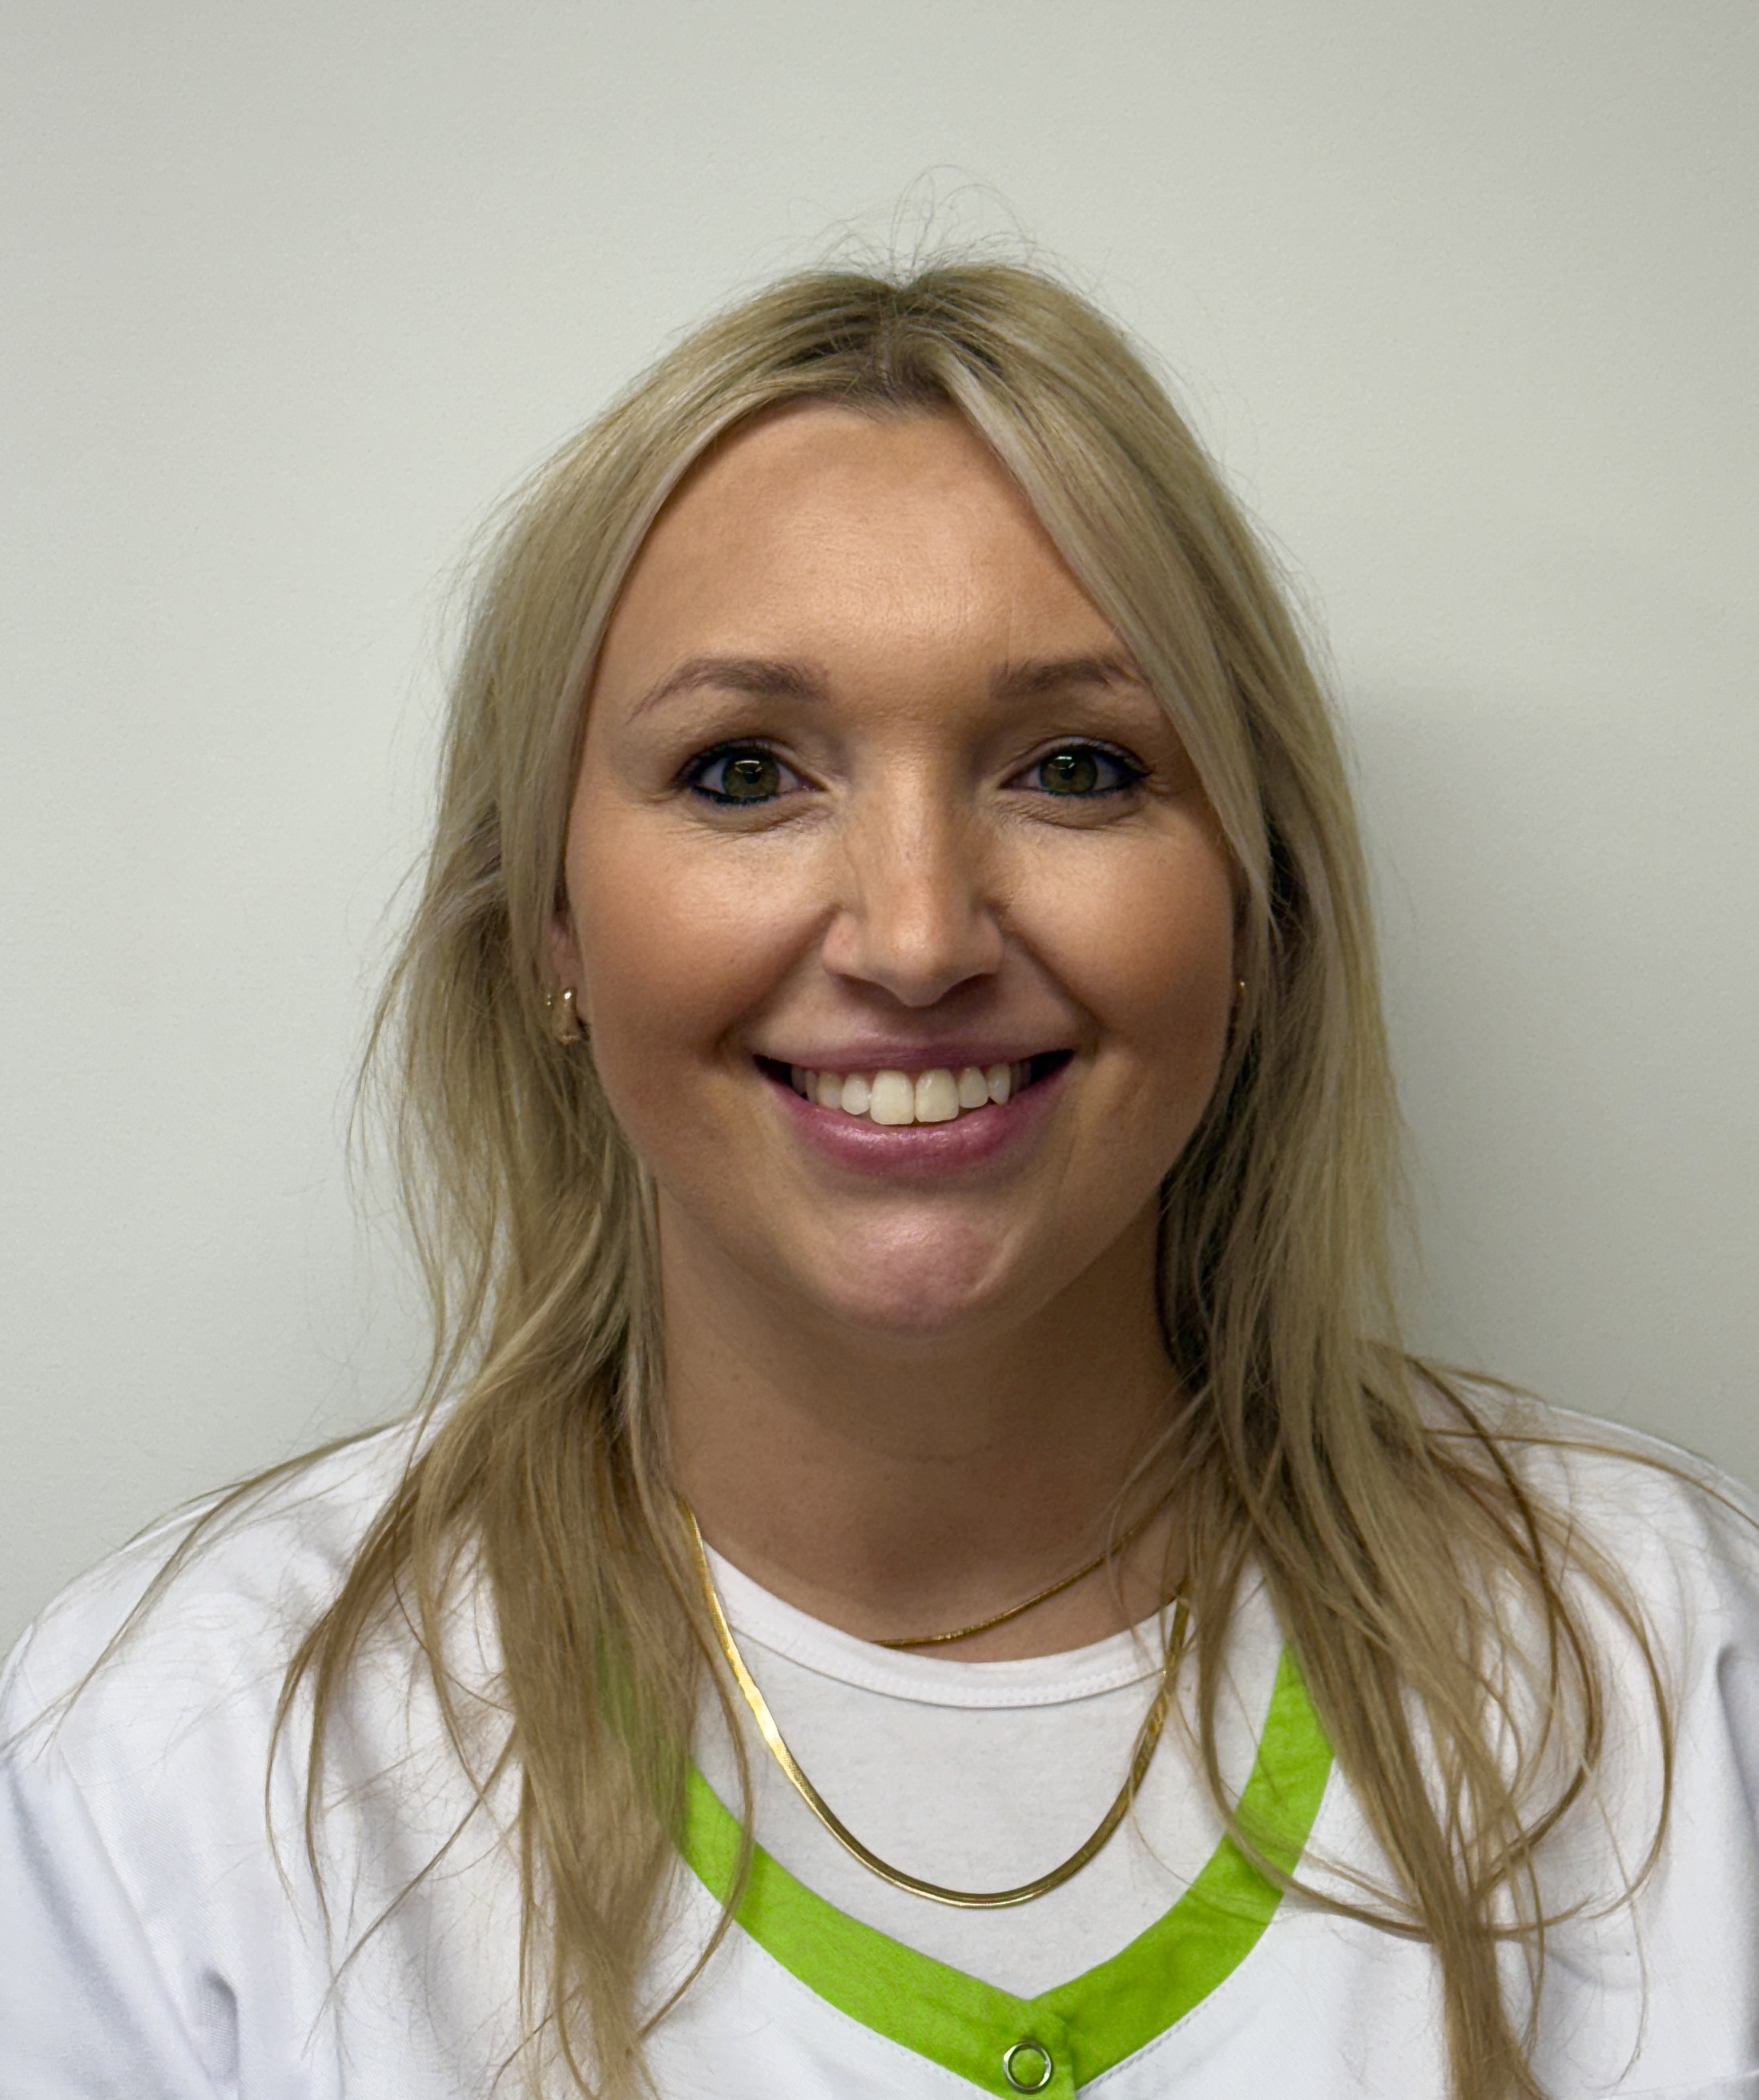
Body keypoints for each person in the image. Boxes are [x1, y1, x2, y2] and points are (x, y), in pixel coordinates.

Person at [2, 259, 1757, 2100]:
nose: (918, 939)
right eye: (742, 774)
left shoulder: (1666, 1667)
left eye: (1075, 766)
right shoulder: (182, 1770)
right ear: (552, 930)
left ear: (1258, 912)